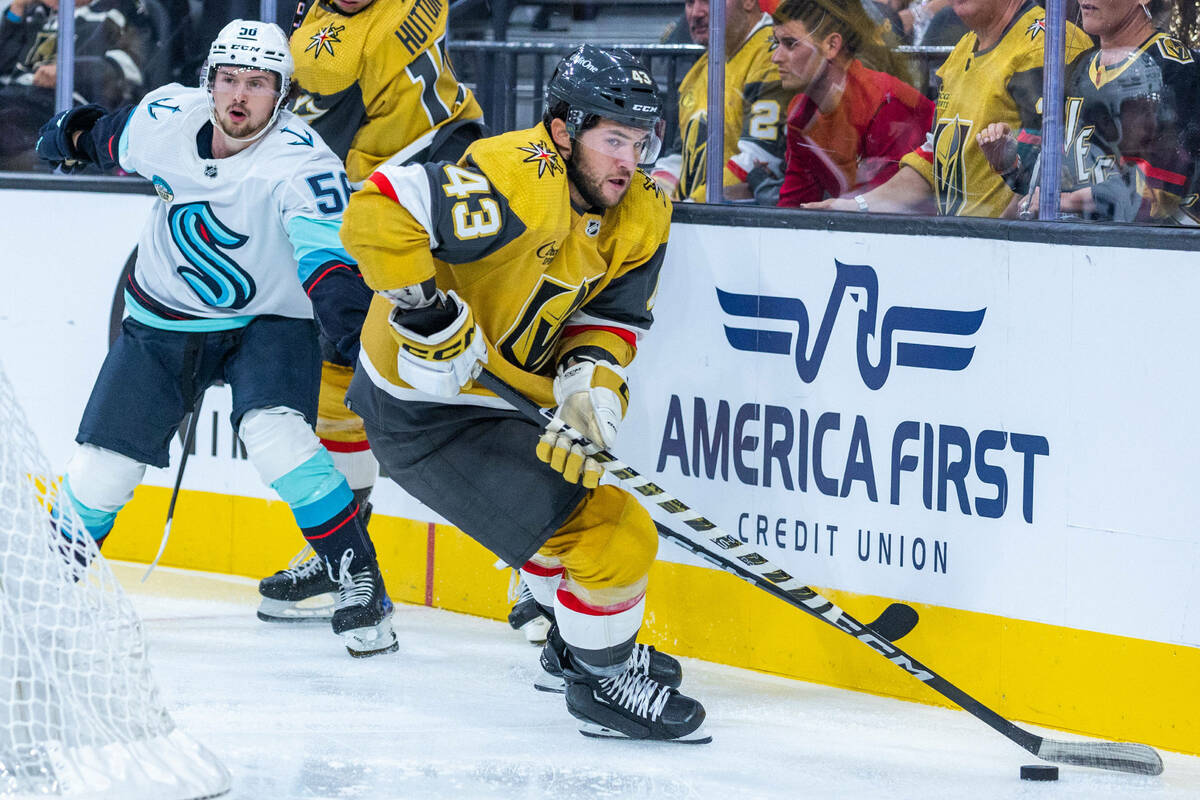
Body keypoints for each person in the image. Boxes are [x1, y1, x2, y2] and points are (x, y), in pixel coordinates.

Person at [339, 44, 710, 743]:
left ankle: (575, 646)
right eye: (613, 140)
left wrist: (590, 390)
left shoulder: (642, 209)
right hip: (424, 411)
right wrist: (426, 313)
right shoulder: (516, 177)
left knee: (584, 508)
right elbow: (377, 210)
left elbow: (609, 321)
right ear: (564, 131)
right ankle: (601, 686)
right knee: (615, 537)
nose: (629, 160)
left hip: (504, 398)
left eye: (640, 141)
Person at [35, 19, 397, 659]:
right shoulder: (166, 118)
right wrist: (73, 135)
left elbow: (330, 268)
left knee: (276, 436)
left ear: (282, 94)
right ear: (209, 82)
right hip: (162, 321)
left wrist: (352, 337)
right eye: (229, 79)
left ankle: (358, 577)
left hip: (267, 323)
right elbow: (110, 136)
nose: (239, 96)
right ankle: (37, 594)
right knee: (101, 472)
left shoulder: (303, 163)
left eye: (257, 84)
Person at [255, 0, 497, 627]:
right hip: (449, 170)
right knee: (341, 383)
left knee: (469, 390)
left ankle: (538, 577)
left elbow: (288, 142)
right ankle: (342, 551)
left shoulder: (326, 50)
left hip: (403, 209)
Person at [807, 0, 1092, 216]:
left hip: (1011, 258)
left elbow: (1046, 178)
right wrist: (856, 206)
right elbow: (934, 160)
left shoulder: (1049, 43)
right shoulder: (963, 48)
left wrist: (994, 243)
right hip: (963, 249)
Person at [976, 0, 1200, 223]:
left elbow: (1159, 190)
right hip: (1086, 241)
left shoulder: (1176, 69)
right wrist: (1010, 164)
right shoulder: (1079, 67)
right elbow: (1051, 180)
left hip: (1153, 243)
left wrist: (1063, 201)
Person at [761, 0, 934, 206]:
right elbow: (795, 207)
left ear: (832, 45)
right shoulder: (801, 115)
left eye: (790, 44)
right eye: (776, 43)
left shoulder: (885, 103)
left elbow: (892, 208)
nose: (776, 57)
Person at [652, 0, 794, 202]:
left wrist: (693, 205)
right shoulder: (699, 70)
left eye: (709, 1)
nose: (695, 13)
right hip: (698, 213)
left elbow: (760, 159)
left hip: (743, 218)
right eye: (690, 2)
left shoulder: (774, 57)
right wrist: (655, 197)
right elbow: (680, 156)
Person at [0, 0, 146, 170]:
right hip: (15, 97)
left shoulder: (115, 13)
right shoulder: (36, 14)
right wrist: (16, 10)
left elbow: (129, 69)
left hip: (64, 107)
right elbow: (4, 65)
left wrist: (68, 71)